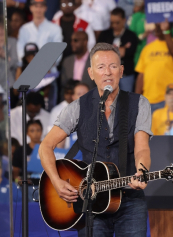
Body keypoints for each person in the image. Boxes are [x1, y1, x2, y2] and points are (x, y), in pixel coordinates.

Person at [39, 43, 152, 236]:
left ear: (122, 71)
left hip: (129, 199)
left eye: (113, 66)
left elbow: (142, 148)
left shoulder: (139, 103)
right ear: (91, 73)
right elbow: (45, 146)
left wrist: (142, 171)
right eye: (101, 67)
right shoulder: (77, 107)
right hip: (90, 201)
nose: (107, 72)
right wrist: (56, 181)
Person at [135, 23, 173, 113]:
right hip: (148, 100)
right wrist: (136, 99)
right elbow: (141, 75)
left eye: (160, 27)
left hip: (170, 100)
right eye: (156, 26)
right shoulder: (148, 48)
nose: (157, 29)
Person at [98, 7, 139, 92]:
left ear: (124, 20)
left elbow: (128, 53)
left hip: (126, 75)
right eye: (112, 23)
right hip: (107, 75)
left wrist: (109, 51)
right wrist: (121, 49)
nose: (114, 25)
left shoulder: (131, 36)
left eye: (117, 23)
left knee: (126, 102)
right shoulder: (104, 35)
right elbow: (99, 53)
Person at [17, 0, 63, 67]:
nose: (38, 10)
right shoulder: (24, 29)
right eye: (36, 6)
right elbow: (20, 52)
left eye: (41, 6)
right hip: (28, 69)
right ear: (31, 8)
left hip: (49, 71)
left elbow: (58, 53)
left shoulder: (55, 28)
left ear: (45, 8)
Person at [128, 0, 161, 65]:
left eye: (154, 1)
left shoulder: (163, 17)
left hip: (160, 56)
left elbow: (171, 35)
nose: (152, 4)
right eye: (149, 1)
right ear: (145, 2)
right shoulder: (137, 16)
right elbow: (130, 38)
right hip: (140, 56)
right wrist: (143, 36)